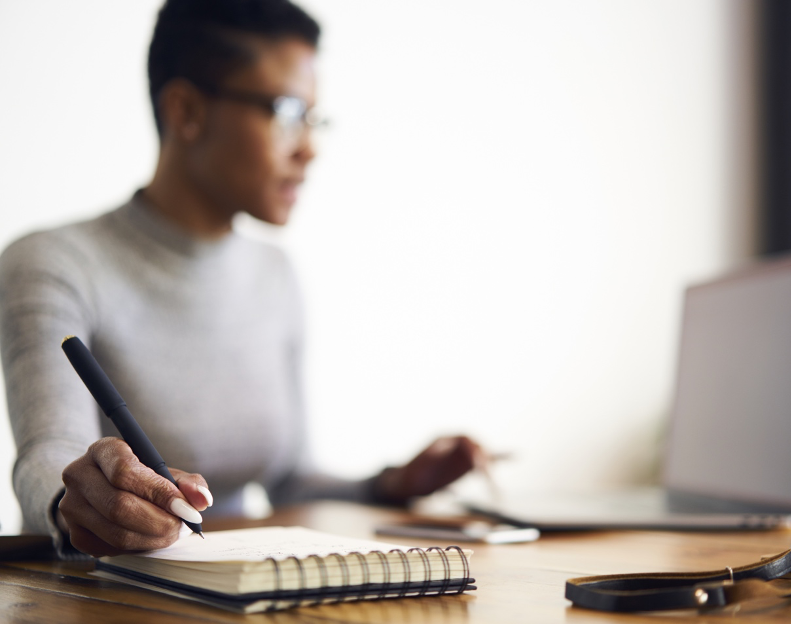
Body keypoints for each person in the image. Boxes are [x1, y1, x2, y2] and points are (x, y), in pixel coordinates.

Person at [0, 0, 480, 558]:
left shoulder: (274, 274)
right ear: (186, 112)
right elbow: (46, 457)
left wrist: (390, 485)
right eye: (286, 111)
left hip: (239, 586)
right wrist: (76, 500)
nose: (309, 147)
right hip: (104, 592)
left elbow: (291, 481)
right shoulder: (55, 263)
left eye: (313, 117)